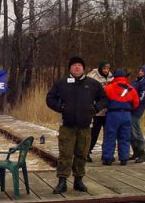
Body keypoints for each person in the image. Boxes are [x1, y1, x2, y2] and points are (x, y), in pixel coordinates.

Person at [46, 56, 108, 194]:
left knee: (82, 154)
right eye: (74, 65)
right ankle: (62, 182)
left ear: (83, 68)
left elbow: (104, 99)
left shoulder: (92, 84)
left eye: (79, 65)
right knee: (65, 154)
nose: (77, 67)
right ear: (70, 68)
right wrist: (60, 107)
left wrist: (96, 108)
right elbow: (49, 98)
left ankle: (78, 181)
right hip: (67, 126)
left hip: (85, 127)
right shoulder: (61, 83)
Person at [101, 69, 140, 166]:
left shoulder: (108, 88)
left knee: (110, 136)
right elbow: (136, 104)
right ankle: (124, 158)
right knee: (125, 137)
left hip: (113, 114)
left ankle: (108, 158)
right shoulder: (131, 88)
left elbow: (103, 101)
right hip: (127, 115)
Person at [86, 60, 113, 161]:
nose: (106, 70)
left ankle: (106, 154)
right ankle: (87, 153)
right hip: (96, 111)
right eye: (104, 68)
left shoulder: (111, 77)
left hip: (107, 111)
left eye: (108, 68)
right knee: (93, 134)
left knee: (108, 134)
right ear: (100, 68)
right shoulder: (93, 76)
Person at [130, 64, 145, 163]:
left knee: (136, 131)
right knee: (131, 131)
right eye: (140, 70)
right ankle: (136, 152)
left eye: (142, 71)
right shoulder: (137, 81)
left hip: (136, 109)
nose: (140, 72)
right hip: (131, 109)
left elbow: (143, 97)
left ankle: (142, 153)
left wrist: (135, 104)